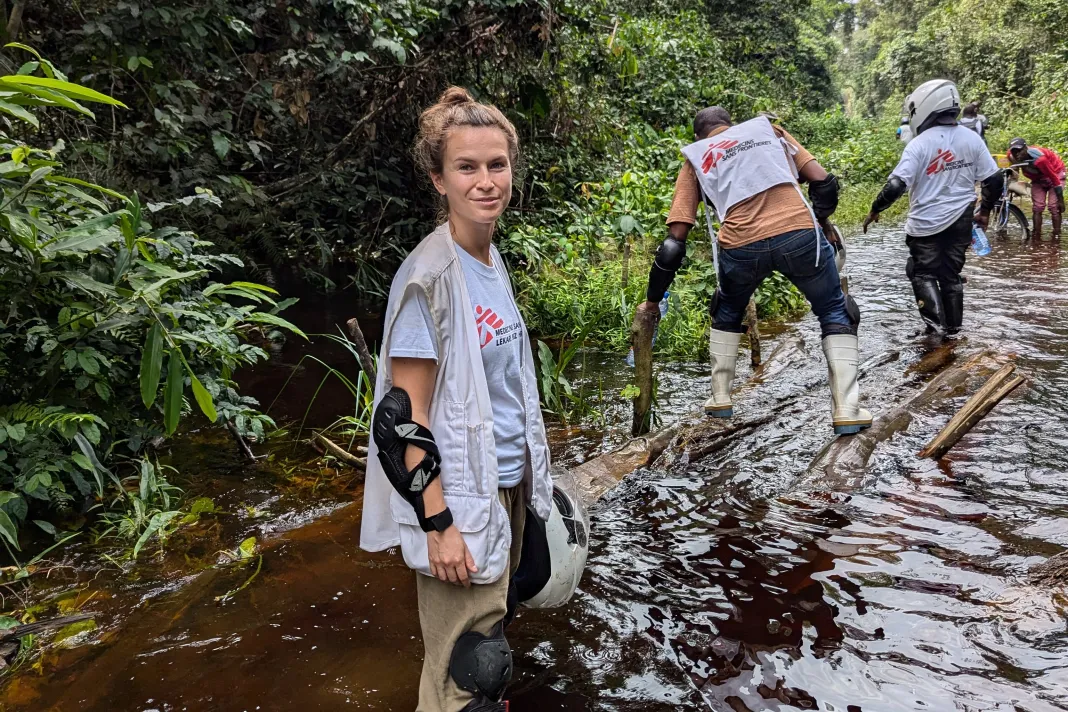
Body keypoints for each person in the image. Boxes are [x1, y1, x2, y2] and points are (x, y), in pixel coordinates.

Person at [359, 87, 587, 712]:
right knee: (466, 672)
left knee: (494, 642)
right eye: (467, 167)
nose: (486, 181)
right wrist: (438, 527)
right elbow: (402, 420)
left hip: (504, 488)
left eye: (497, 165)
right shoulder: (428, 280)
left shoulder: (486, 258)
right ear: (438, 178)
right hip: (456, 504)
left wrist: (531, 494)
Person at [634, 107, 872, 436]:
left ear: (698, 136)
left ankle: (720, 398)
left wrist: (652, 300)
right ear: (730, 125)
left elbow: (675, 241)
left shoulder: (698, 155)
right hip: (799, 236)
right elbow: (824, 182)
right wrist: (820, 220)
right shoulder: (769, 131)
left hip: (741, 246)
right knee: (834, 308)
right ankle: (846, 408)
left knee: (727, 309)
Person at [863, 79, 1003, 335]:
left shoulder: (919, 144)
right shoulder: (971, 139)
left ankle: (935, 331)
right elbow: (994, 178)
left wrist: (875, 209)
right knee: (951, 276)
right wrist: (984, 211)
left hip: (925, 225)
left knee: (921, 273)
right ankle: (954, 333)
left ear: (925, 108)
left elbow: (895, 185)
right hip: (962, 220)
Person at [1007, 137, 1064, 240]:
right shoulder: (1010, 156)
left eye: (1019, 151)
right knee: (1037, 207)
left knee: (1054, 206)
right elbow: (1013, 170)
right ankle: (1036, 236)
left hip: (1055, 173)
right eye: (1014, 151)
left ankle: (1057, 236)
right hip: (1038, 178)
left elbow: (1054, 178)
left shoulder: (1040, 159)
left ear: (1025, 148)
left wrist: (1061, 200)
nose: (1017, 154)